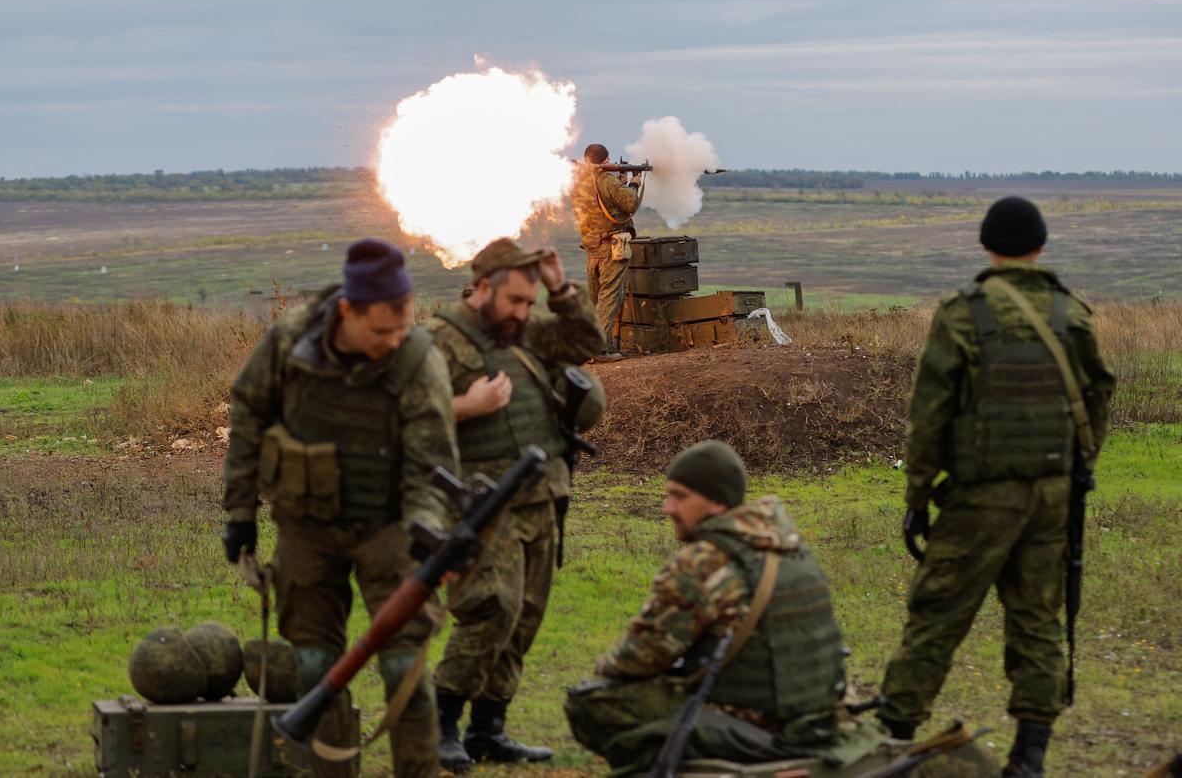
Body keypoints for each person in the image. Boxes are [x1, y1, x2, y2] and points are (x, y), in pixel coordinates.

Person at [878, 196, 1116, 778]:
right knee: (1037, 621)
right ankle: (1029, 758)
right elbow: (1099, 393)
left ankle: (890, 742)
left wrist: (916, 500)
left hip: (982, 497)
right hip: (1053, 497)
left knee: (937, 615)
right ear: (1040, 245)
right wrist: (1076, 465)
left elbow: (928, 415)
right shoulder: (1072, 313)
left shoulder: (965, 313)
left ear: (987, 245)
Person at [221, 239, 459, 778]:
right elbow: (249, 415)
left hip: (391, 528)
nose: (394, 340)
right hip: (306, 528)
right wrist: (239, 513)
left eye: (402, 327)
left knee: (404, 669)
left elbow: (433, 464)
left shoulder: (418, 360)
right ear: (348, 310)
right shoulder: (289, 343)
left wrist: (426, 524)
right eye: (381, 331)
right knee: (313, 665)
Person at [564, 440, 874, 776]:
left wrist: (605, 668)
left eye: (680, 496)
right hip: (821, 717)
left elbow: (636, 659)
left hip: (759, 726)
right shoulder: (790, 547)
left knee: (590, 700)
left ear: (714, 501)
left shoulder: (702, 563)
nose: (668, 507)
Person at [425, 237, 605, 769]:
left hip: (544, 494)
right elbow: (401, 416)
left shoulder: (524, 333)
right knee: (491, 609)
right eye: (515, 302)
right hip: (484, 503)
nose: (524, 314)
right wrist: (466, 405)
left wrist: (559, 286)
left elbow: (586, 338)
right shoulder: (438, 340)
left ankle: (489, 729)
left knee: (526, 614)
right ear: (483, 289)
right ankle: (440, 724)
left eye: (531, 304)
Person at [570, 142, 643, 362]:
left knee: (595, 299)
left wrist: (619, 179)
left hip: (592, 246)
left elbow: (606, 203)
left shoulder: (579, 181)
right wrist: (634, 183)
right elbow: (630, 204)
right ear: (604, 160)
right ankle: (599, 349)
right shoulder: (604, 180)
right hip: (611, 245)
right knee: (610, 296)